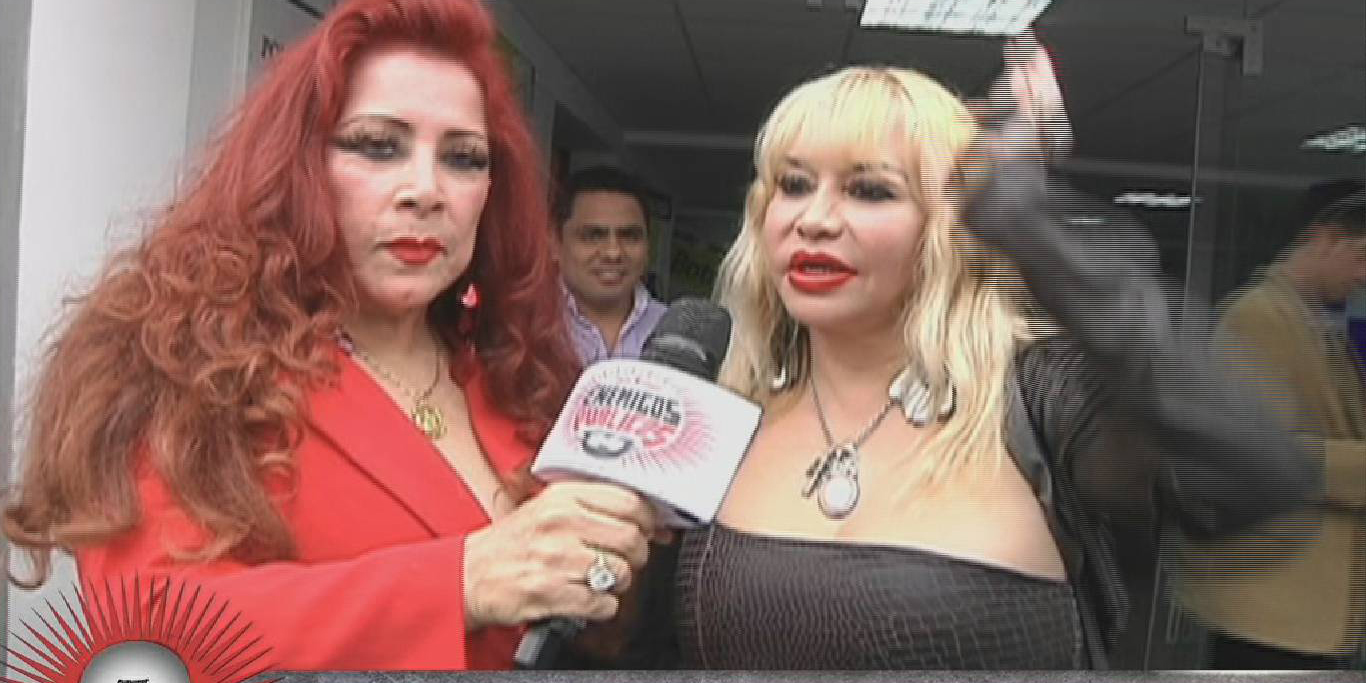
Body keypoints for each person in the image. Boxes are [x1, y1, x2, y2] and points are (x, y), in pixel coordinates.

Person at [2, 0, 659, 671]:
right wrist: (460, 582)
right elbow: (150, 625)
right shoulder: (181, 359)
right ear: (298, 163)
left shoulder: (514, 370)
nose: (426, 190)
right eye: (378, 145)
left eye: (463, 158)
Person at [666, 36, 1322, 669]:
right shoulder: (723, 399)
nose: (814, 219)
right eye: (794, 184)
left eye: (870, 190)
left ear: (950, 223)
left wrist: (1025, 221)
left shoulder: (1038, 400)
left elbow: (1257, 470)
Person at [1178, 180, 1366, 670]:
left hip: (1304, 609)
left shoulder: (1313, 323)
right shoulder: (1257, 319)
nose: (1364, 276)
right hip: (1272, 611)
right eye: (1361, 256)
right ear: (1324, 238)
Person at [555, 166, 667, 364]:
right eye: (594, 236)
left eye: (629, 236)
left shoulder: (673, 334)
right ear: (553, 244)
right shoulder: (521, 328)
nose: (613, 253)